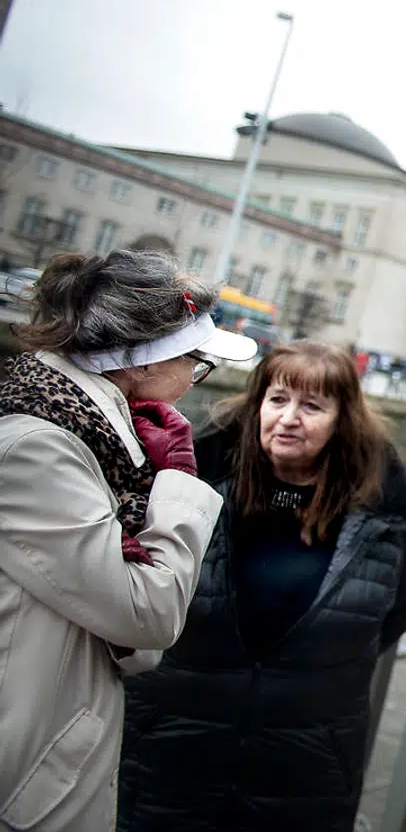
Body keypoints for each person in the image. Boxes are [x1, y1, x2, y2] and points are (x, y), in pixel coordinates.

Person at [117, 341, 406, 832]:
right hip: (171, 752)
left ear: (341, 421)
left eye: (312, 406)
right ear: (257, 405)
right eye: (278, 400)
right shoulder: (190, 488)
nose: (289, 418)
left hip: (304, 769)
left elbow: (401, 608)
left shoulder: (381, 518)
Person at [0, 250, 254, 831]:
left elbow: (131, 642)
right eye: (196, 360)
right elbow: (148, 614)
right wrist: (178, 486)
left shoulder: (88, 437)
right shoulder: (38, 449)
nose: (196, 378)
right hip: (28, 775)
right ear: (141, 364)